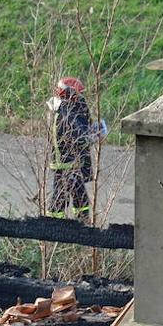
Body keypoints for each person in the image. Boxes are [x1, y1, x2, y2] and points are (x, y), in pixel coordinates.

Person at [46, 76, 105, 222]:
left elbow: (82, 127)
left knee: (79, 196)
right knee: (61, 197)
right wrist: (97, 133)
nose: (80, 97)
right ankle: (52, 226)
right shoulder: (65, 113)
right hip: (66, 163)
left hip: (71, 162)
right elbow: (80, 138)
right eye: (78, 94)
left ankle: (82, 222)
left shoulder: (67, 108)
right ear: (69, 94)